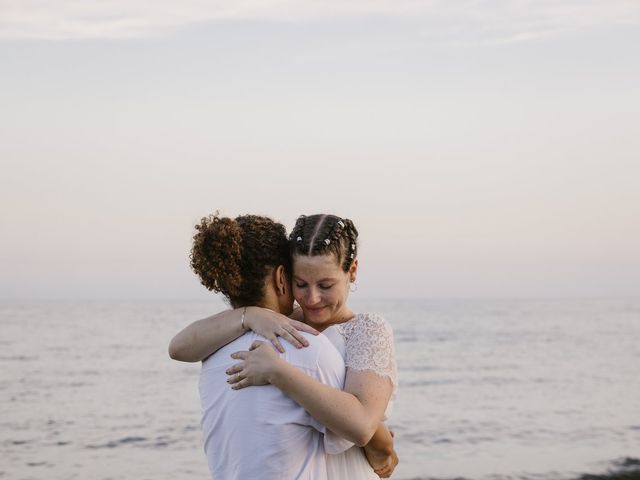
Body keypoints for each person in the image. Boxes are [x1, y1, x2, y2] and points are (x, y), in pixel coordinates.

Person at [170, 214, 398, 479]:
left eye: (326, 285)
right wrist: (249, 315)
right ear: (285, 277)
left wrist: (276, 371)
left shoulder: (367, 330)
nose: (311, 299)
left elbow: (364, 424)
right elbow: (178, 347)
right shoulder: (280, 326)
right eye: (300, 284)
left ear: (352, 272)